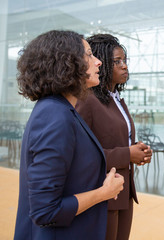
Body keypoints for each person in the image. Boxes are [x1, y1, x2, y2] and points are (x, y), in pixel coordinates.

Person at [14, 30, 125, 240]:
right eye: (90, 55)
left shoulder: (62, 111)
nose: (99, 62)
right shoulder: (55, 115)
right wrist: (104, 193)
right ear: (67, 63)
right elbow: (45, 210)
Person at [76, 34, 152, 240]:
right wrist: (127, 154)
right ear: (101, 63)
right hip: (103, 192)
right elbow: (82, 155)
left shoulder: (116, 99)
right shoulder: (88, 101)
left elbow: (116, 139)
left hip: (124, 190)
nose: (124, 66)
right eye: (117, 61)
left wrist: (138, 150)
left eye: (125, 60)